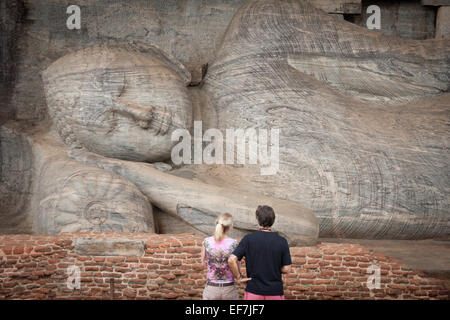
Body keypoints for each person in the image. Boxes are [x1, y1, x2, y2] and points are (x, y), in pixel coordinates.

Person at [228, 205, 292, 300]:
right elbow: (287, 269)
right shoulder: (282, 241)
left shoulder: (248, 239)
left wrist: (238, 277)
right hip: (274, 291)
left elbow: (231, 260)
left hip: (253, 291)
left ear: (258, 220)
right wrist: (272, 268)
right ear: (273, 221)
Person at [201, 213, 247, 300]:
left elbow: (203, 264)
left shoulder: (206, 242)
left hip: (211, 288)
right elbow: (237, 267)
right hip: (229, 288)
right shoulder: (234, 244)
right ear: (230, 227)